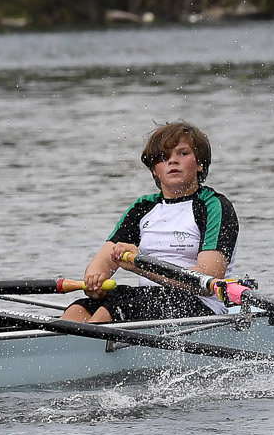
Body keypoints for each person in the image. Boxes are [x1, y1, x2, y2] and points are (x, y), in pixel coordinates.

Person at [62, 122, 239, 324]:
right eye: (164, 157)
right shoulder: (143, 207)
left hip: (201, 303)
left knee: (114, 311)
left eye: (183, 153)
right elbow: (102, 262)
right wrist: (95, 282)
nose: (173, 161)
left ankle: (83, 348)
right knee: (79, 309)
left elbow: (208, 278)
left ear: (200, 164)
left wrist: (138, 266)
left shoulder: (214, 206)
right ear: (155, 169)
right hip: (149, 298)